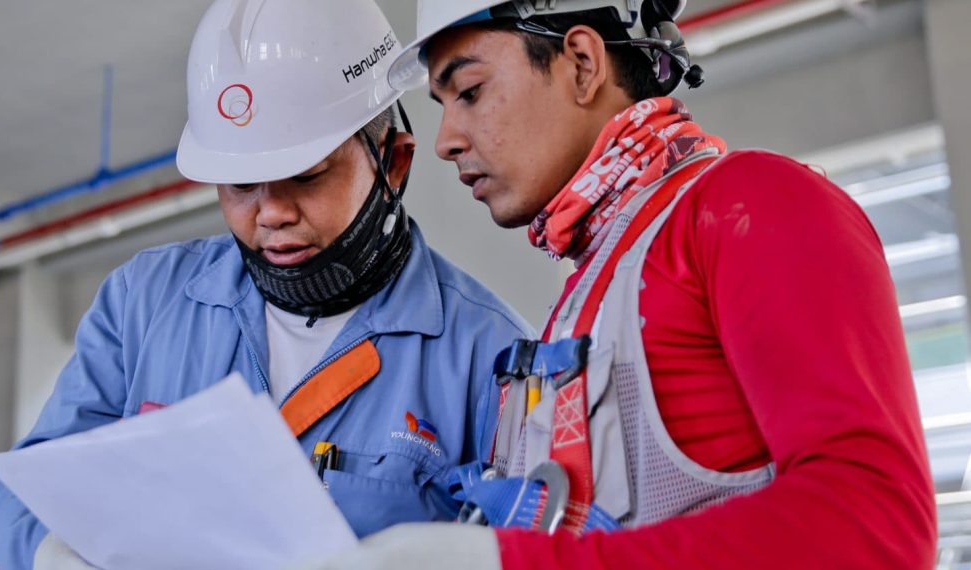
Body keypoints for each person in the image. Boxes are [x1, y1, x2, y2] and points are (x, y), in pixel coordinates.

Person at [291, 0, 937, 568]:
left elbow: (875, 529)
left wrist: (509, 563)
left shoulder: (751, 204)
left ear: (579, 61)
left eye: (470, 92)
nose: (447, 141)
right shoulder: (596, 284)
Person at [0, 0, 534, 568]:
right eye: (241, 183)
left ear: (393, 162)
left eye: (306, 176)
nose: (270, 213)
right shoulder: (142, 304)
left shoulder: (490, 357)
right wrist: (47, 551)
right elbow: (32, 485)